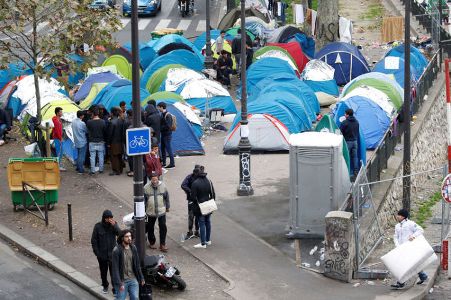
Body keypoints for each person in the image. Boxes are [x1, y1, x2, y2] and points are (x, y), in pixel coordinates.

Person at [390, 209, 428, 289]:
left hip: (409, 248)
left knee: (404, 265)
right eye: (398, 215)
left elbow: (420, 230)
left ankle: (401, 283)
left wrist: (413, 236)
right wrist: (397, 245)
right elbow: (395, 237)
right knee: (410, 264)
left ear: (403, 216)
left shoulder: (411, 224)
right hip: (401, 249)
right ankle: (423, 276)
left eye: (399, 215)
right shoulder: (397, 226)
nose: (397, 216)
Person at [91, 210, 121, 295]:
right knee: (103, 272)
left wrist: (114, 225)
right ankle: (105, 285)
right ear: (104, 218)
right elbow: (94, 240)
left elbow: (120, 234)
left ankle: (115, 289)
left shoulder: (114, 225)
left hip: (112, 254)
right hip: (102, 255)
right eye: (107, 218)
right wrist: (97, 253)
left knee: (114, 273)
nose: (109, 219)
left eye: (111, 217)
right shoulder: (97, 227)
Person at [112, 229, 145, 300]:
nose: (129, 238)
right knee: (120, 298)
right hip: (122, 280)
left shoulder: (133, 248)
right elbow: (115, 269)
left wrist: (141, 277)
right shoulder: (117, 250)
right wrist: (119, 283)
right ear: (122, 238)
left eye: (130, 236)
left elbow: (137, 264)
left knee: (135, 298)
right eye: (127, 236)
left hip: (133, 278)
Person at [144, 171, 170, 252]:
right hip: (151, 212)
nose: (155, 181)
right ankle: (152, 242)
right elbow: (144, 201)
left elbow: (167, 197)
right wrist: (144, 211)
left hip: (161, 211)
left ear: (158, 179)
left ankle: (162, 244)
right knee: (150, 228)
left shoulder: (163, 186)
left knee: (163, 227)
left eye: (156, 180)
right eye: (153, 180)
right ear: (150, 180)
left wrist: (168, 207)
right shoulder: (146, 188)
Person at [191, 166, 215, 249]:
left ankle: (203, 243)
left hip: (200, 206)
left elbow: (193, 197)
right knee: (208, 222)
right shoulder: (209, 181)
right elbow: (213, 193)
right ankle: (208, 240)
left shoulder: (195, 183)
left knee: (202, 224)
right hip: (208, 204)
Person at [181, 165, 201, 239]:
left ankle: (196, 231)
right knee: (192, 216)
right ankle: (191, 231)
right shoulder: (189, 177)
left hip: (197, 199)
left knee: (197, 216)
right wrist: (191, 191)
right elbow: (183, 185)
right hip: (192, 199)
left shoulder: (199, 177)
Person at [339, 109, 360, 178]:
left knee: (346, 157)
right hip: (355, 142)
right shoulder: (357, 122)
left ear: (347, 114)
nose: (344, 115)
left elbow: (340, 132)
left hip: (347, 142)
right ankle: (356, 171)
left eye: (345, 114)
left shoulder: (344, 123)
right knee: (355, 157)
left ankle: (346, 172)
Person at [87, 107, 107, 175]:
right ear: (98, 113)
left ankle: (92, 170)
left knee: (92, 156)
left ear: (92, 114)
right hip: (101, 141)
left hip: (92, 141)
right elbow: (104, 131)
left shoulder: (89, 122)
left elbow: (88, 130)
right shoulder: (103, 121)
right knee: (101, 156)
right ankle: (101, 169)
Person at [157, 102, 175, 169]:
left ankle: (172, 163)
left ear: (162, 107)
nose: (158, 108)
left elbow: (168, 126)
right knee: (162, 149)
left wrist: (160, 128)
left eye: (158, 107)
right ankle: (164, 163)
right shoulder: (162, 114)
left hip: (167, 135)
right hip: (163, 134)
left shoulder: (168, 115)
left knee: (168, 149)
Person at [107, 107, 125, 176]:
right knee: (119, 156)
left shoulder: (111, 122)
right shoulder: (121, 120)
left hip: (114, 142)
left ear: (112, 113)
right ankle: (120, 169)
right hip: (120, 141)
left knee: (114, 157)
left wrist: (108, 143)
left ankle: (116, 170)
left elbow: (110, 134)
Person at [51, 107, 66, 171]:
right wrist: (60, 138)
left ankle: (58, 164)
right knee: (59, 152)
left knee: (59, 152)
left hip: (58, 138)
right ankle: (58, 166)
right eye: (60, 112)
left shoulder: (58, 119)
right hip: (58, 138)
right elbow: (57, 131)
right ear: (57, 113)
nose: (61, 113)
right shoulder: (56, 120)